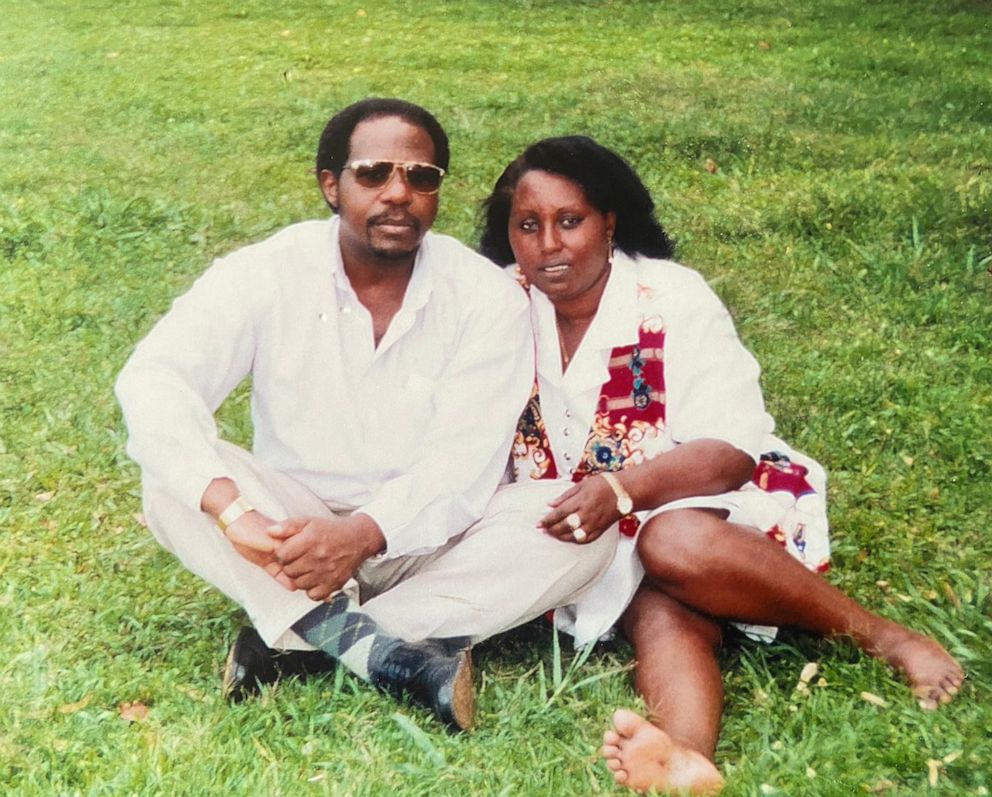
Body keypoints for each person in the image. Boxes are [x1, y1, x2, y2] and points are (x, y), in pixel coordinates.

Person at [479, 135, 964, 792]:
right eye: (527, 225)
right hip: (583, 527)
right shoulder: (497, 304)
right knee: (659, 606)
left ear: (610, 220)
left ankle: (883, 636)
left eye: (571, 221)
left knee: (670, 542)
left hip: (697, 497)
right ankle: (682, 756)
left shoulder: (670, 295)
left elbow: (730, 452)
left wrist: (621, 490)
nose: (548, 245)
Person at [115, 101, 616, 731]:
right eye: (373, 173)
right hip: (290, 534)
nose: (398, 194)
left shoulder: (484, 296)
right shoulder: (265, 272)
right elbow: (155, 379)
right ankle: (394, 654)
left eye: (421, 177)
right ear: (331, 184)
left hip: (432, 543)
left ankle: (303, 646)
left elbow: (463, 466)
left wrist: (361, 537)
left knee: (580, 531)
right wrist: (236, 513)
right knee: (171, 482)